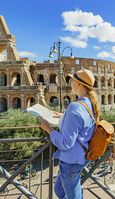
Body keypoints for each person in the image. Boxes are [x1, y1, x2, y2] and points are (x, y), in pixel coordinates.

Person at [40, 69, 97, 199]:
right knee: (59, 190)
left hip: (71, 161)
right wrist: (64, 117)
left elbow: (66, 143)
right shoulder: (89, 103)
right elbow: (81, 124)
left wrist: (48, 129)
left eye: (72, 80)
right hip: (82, 155)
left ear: (79, 84)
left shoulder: (75, 107)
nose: (70, 83)